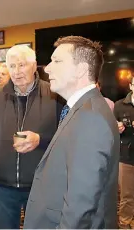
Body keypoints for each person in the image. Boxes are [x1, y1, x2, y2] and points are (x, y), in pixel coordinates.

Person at [24, 36, 120, 228]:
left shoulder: (91, 117)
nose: (47, 68)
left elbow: (81, 204)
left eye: (57, 61)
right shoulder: (81, 108)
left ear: (81, 69)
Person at [0, 45, 61, 229]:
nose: (16, 72)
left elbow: (67, 135)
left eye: (22, 65)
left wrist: (40, 140)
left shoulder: (54, 95)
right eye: (12, 66)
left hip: (41, 184)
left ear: (34, 66)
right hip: (3, 186)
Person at [114, 74, 134, 229]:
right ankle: (124, 223)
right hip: (126, 157)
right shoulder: (119, 105)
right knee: (127, 195)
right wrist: (117, 128)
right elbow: (112, 128)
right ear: (131, 86)